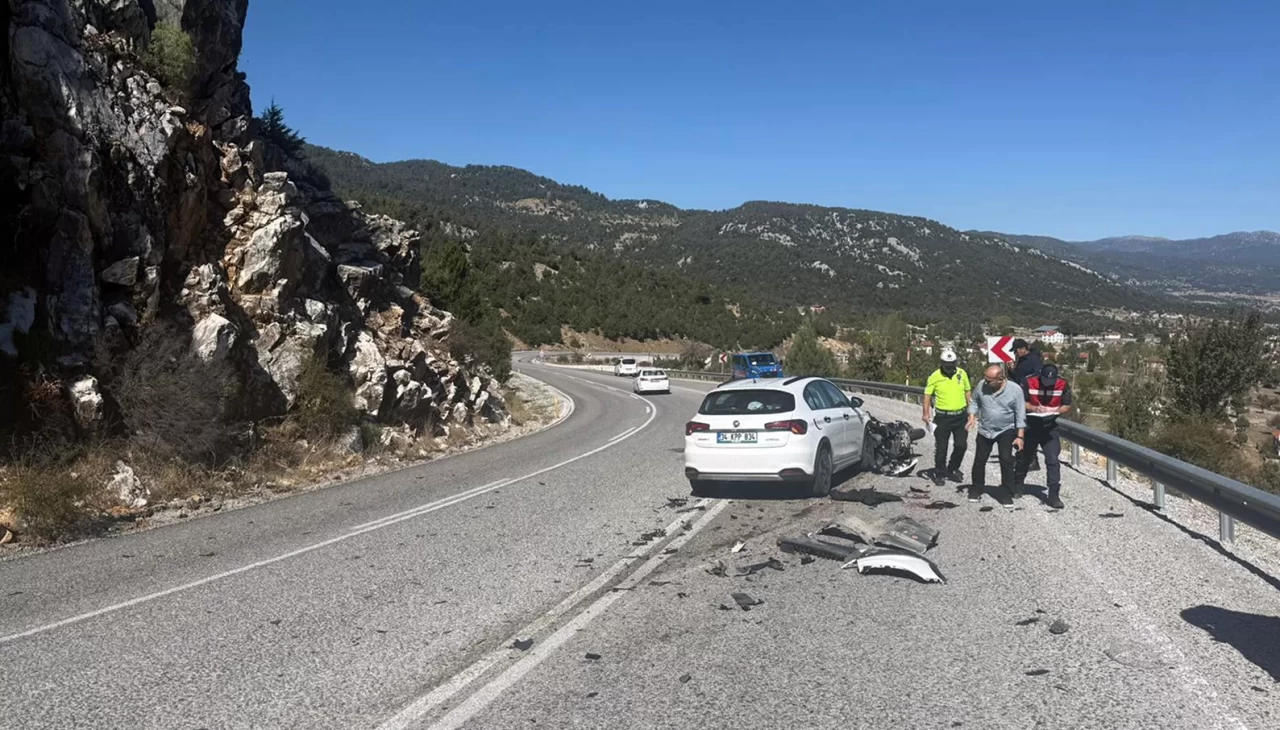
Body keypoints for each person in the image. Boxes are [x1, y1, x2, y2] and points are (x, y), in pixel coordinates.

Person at [967, 365, 1026, 508]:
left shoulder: (1015, 390)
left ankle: (1006, 492)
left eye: (989, 381)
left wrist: (1020, 437)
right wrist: (971, 416)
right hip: (985, 429)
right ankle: (977, 488)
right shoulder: (982, 385)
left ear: (1000, 379)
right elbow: (974, 401)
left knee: (1006, 459)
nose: (985, 383)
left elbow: (1020, 413)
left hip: (1006, 430)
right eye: (985, 379)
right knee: (980, 460)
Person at [1016, 363, 1072, 509]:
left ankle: (1053, 495)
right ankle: (1018, 484)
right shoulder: (1029, 382)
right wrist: (1034, 408)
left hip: (1050, 427)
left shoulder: (1063, 384)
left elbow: (1067, 405)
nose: (1048, 385)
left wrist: (1056, 410)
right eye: (1046, 382)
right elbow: (1021, 402)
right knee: (1024, 458)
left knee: (1053, 460)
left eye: (1051, 383)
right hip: (1031, 425)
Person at [922, 350, 971, 487]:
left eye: (951, 364)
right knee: (942, 447)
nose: (949, 367)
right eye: (946, 364)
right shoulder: (935, 376)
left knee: (961, 445)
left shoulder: (962, 374)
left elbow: (967, 392)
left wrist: (972, 412)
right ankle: (939, 472)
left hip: (960, 416)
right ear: (941, 363)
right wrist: (926, 413)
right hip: (943, 417)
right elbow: (927, 395)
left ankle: (953, 467)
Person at [1009, 338, 1043, 472]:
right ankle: (1024, 457)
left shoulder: (1034, 360)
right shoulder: (1022, 361)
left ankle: (1030, 460)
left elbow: (1037, 377)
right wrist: (1012, 371)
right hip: (1020, 399)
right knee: (1019, 429)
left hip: (1031, 400)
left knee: (1027, 430)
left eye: (1016, 351)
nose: (1016, 354)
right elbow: (1018, 379)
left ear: (1023, 349)